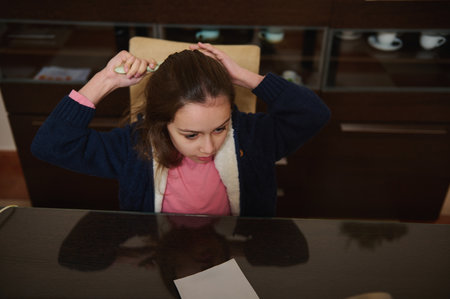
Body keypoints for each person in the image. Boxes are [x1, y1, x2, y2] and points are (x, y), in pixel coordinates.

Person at [31, 42, 330, 217]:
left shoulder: (253, 137)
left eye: (219, 128)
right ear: (162, 123)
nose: (209, 148)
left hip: (238, 257)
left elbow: (313, 114)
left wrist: (244, 77)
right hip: (161, 256)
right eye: (191, 135)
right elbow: (52, 145)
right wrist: (104, 81)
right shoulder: (135, 145)